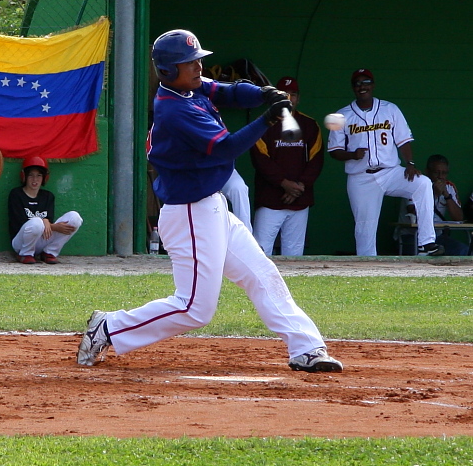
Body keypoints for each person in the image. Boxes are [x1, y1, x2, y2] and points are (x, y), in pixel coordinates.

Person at [77, 29, 342, 373]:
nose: (198, 66)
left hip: (212, 208)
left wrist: (263, 93)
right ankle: (108, 327)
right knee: (194, 309)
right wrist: (268, 119)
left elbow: (228, 92)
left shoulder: (189, 88)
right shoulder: (174, 109)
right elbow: (225, 148)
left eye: (198, 59)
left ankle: (306, 348)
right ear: (168, 70)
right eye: (190, 63)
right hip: (190, 213)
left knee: (262, 275)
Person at [327, 69, 443, 256]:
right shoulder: (341, 116)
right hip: (361, 178)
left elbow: (403, 140)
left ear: (373, 85)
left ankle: (426, 243)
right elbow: (334, 151)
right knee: (365, 230)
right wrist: (352, 155)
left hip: (390, 172)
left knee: (422, 183)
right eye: (357, 83)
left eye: (366, 82)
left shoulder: (390, 109)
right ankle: (368, 268)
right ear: (353, 88)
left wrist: (410, 163)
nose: (362, 86)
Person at [249, 76, 324, 256]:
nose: (289, 98)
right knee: (261, 251)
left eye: (293, 94)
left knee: (294, 254)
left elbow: (316, 159)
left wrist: (300, 186)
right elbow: (260, 159)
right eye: (284, 94)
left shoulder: (309, 125)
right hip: (270, 199)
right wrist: (284, 183)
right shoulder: (263, 123)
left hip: (299, 198)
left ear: (299, 98)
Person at [7, 157, 82, 265]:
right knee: (37, 222)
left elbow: (48, 222)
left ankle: (49, 252)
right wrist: (48, 224)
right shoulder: (16, 194)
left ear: (44, 178)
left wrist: (48, 223)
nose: (35, 179)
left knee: (75, 218)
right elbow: (19, 222)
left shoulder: (48, 196)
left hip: (41, 240)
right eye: (31, 175)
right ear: (24, 176)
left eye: (39, 175)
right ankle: (25, 254)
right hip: (21, 242)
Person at [403, 154, 468, 256]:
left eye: (444, 173)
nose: (440, 177)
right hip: (411, 235)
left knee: (463, 250)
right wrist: (433, 194)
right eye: (436, 172)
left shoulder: (449, 186)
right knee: (424, 255)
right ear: (427, 171)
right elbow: (413, 212)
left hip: (437, 237)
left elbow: (458, 218)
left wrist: (447, 195)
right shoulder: (416, 184)